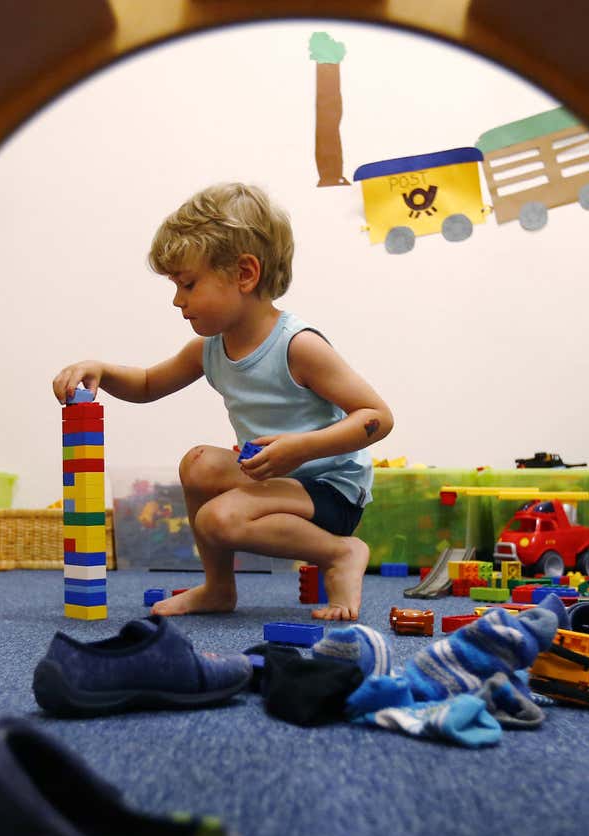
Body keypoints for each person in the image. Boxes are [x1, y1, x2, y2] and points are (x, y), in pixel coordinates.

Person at [52, 183, 393, 621]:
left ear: (245, 274)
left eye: (188, 284)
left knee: (218, 519)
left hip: (331, 493)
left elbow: (377, 417)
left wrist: (300, 448)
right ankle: (218, 588)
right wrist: (101, 368)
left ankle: (340, 553)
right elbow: (148, 384)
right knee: (197, 462)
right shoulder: (211, 348)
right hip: (274, 481)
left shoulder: (298, 346)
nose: (178, 300)